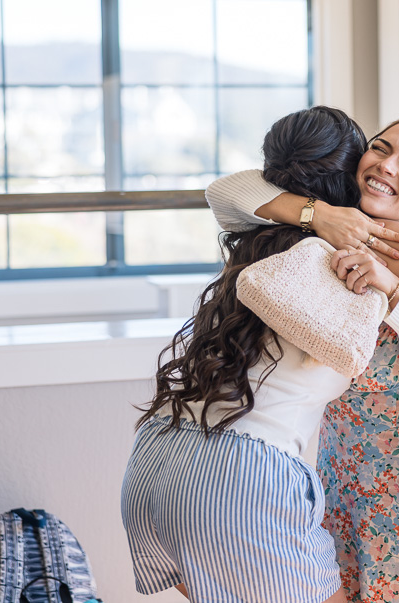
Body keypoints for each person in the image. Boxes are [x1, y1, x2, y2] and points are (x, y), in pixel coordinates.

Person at [204, 101, 399, 602]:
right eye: (380, 148)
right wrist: (319, 214)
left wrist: (395, 291)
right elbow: (225, 193)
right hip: (346, 493)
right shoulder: (335, 222)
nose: (386, 165)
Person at [120, 106, 369, 603]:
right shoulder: (348, 258)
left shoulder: (256, 237)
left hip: (158, 455)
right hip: (240, 480)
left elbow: (226, 189)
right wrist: (326, 216)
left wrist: (312, 213)